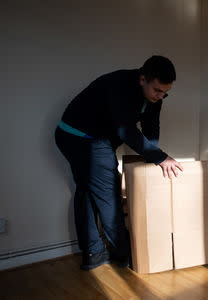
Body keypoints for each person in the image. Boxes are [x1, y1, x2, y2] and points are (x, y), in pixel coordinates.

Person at [55, 55, 183, 270]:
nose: (160, 96)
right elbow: (126, 131)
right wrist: (160, 157)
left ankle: (93, 252)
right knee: (109, 192)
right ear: (143, 79)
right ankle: (125, 254)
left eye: (165, 93)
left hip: (84, 137)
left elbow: (151, 128)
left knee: (86, 190)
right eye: (157, 90)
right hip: (80, 137)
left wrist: (150, 157)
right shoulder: (121, 86)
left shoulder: (154, 98)